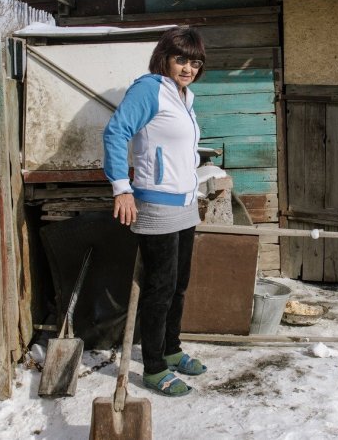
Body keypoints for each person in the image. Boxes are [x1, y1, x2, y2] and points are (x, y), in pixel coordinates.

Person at [103, 26, 207, 397]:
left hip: (185, 203)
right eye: (181, 59)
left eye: (195, 62)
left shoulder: (185, 96)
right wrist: (122, 189)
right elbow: (116, 133)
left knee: (178, 284)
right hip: (157, 203)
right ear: (164, 58)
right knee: (159, 288)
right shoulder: (149, 89)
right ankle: (153, 367)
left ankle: (171, 349)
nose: (188, 68)